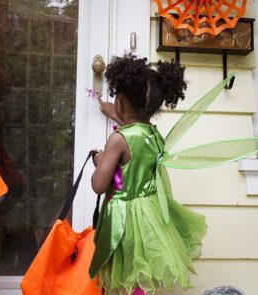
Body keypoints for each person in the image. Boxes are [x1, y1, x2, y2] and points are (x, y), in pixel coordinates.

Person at [88, 53, 206, 295]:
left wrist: (99, 160)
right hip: (148, 217)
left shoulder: (118, 140)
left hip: (124, 220)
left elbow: (99, 185)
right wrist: (115, 116)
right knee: (139, 274)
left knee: (123, 275)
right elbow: (136, 145)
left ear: (119, 102)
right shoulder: (154, 135)